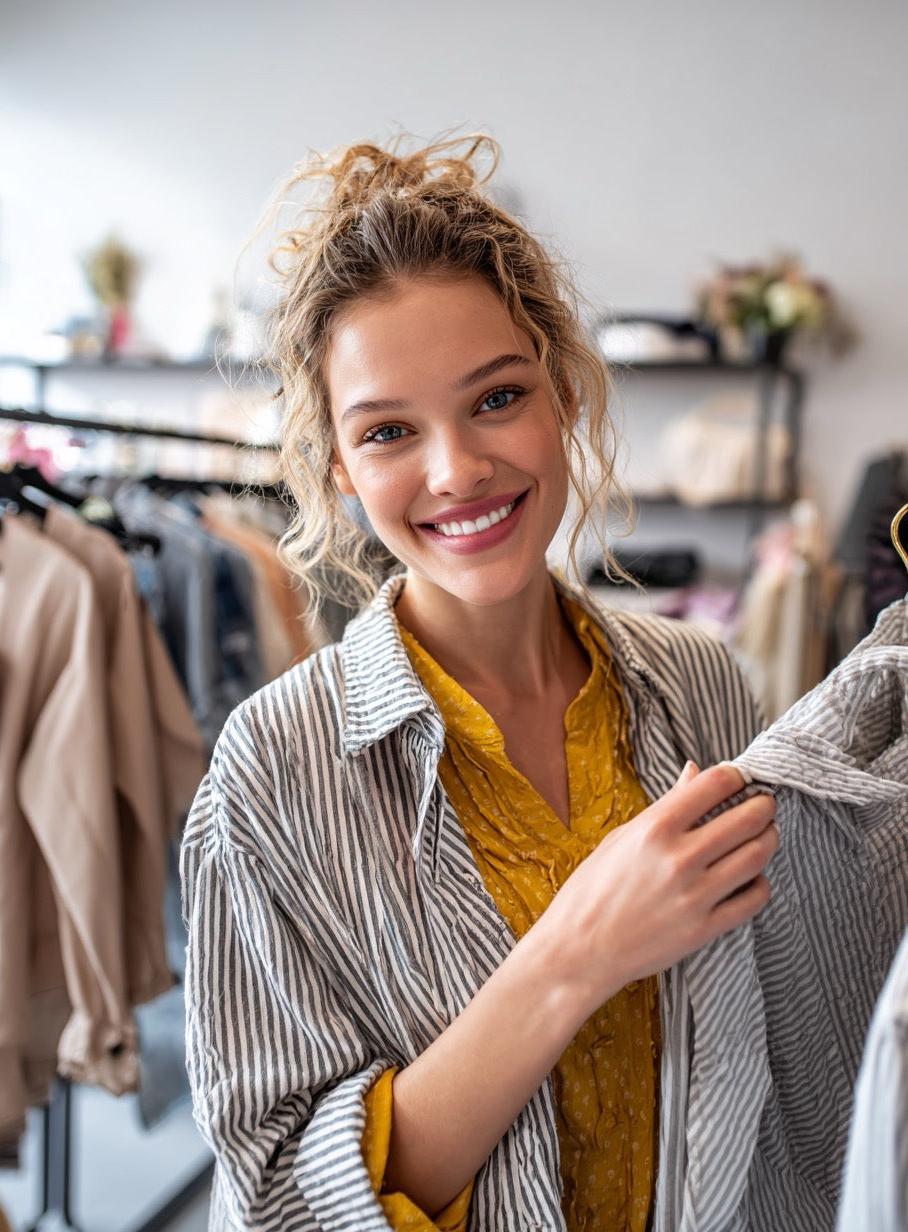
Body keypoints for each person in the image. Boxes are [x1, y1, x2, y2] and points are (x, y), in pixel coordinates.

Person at [181, 133, 778, 1232]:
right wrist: (576, 951)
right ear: (337, 470)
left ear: (563, 392)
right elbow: (276, 1201)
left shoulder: (704, 688)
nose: (455, 468)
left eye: (496, 399)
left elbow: (774, 1055)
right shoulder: (271, 771)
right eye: (390, 431)